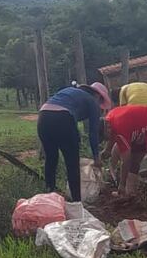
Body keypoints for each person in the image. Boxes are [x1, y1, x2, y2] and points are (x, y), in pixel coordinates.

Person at [37, 82, 109, 217]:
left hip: (43, 117)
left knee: (51, 159)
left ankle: (49, 197)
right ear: (97, 96)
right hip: (63, 119)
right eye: (100, 101)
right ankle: (77, 204)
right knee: (72, 164)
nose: (99, 105)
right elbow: (92, 132)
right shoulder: (92, 101)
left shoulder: (69, 91)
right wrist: (96, 157)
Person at [104, 81, 147, 195]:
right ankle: (130, 191)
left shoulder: (118, 126)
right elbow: (113, 139)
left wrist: (121, 184)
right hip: (141, 124)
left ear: (107, 129)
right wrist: (107, 150)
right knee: (135, 157)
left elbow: (125, 160)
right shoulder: (110, 120)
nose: (107, 139)